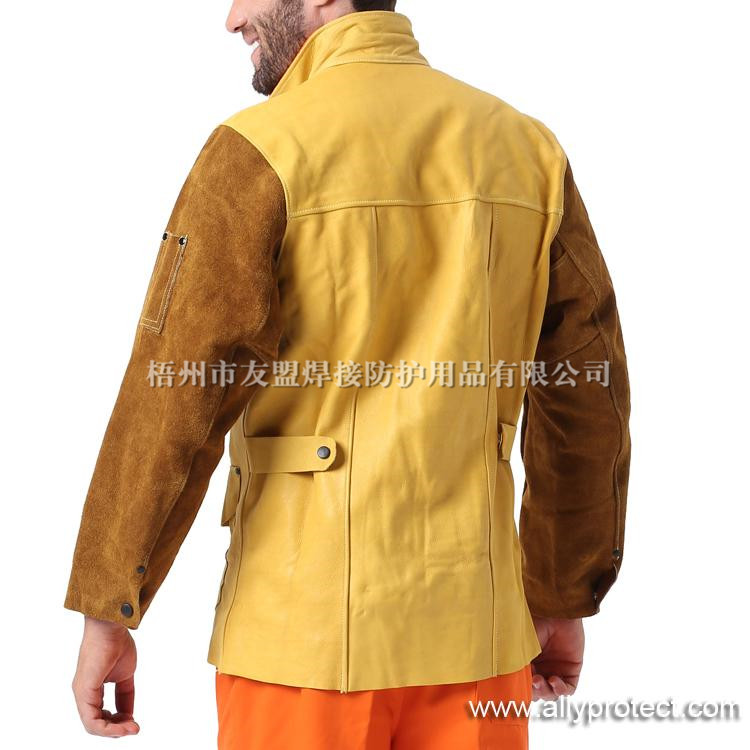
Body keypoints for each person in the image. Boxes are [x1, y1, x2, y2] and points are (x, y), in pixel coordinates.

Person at [65, 1, 631, 748]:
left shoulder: (261, 149)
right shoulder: (526, 150)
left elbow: (172, 397)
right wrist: (560, 592)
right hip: (480, 634)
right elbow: (587, 391)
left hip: (299, 645)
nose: (233, 17)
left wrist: (110, 605)